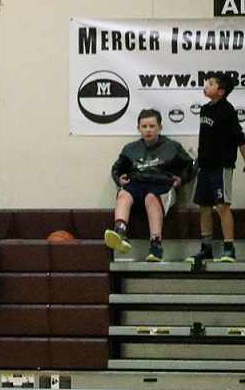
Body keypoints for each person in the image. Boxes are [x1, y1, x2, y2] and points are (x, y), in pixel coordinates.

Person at [104, 109, 196, 262]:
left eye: (152, 126)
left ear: (160, 127)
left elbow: (190, 166)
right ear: (138, 128)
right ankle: (120, 232)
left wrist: (182, 180)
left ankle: (155, 245)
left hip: (161, 186)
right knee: (123, 194)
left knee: (151, 198)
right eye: (144, 126)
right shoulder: (130, 149)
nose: (148, 130)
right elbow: (117, 168)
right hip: (137, 184)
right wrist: (119, 179)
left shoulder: (172, 146)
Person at [186, 72, 245, 264]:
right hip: (205, 167)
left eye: (210, 83)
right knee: (204, 206)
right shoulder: (204, 110)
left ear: (221, 91)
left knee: (222, 206)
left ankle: (229, 248)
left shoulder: (227, 111)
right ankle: (206, 248)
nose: (206, 85)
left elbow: (240, 139)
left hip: (221, 167)